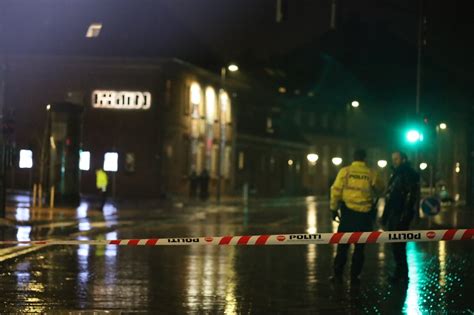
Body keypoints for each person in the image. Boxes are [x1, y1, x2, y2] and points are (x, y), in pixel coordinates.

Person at [330, 149, 384, 283]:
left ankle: (338, 275)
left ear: (353, 157)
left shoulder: (345, 171)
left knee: (342, 245)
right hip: (364, 215)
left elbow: (335, 191)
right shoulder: (371, 172)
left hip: (348, 213)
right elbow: (381, 188)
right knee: (360, 247)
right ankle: (355, 275)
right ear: (364, 158)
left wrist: (333, 209)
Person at [382, 151, 420, 283]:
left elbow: (410, 196)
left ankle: (402, 274)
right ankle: (400, 274)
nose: (394, 161)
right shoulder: (397, 174)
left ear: (403, 159)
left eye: (396, 159)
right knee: (396, 246)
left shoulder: (406, 174)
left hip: (400, 215)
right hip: (395, 214)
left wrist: (405, 216)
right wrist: (385, 217)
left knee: (398, 246)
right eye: (393, 159)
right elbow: (390, 197)